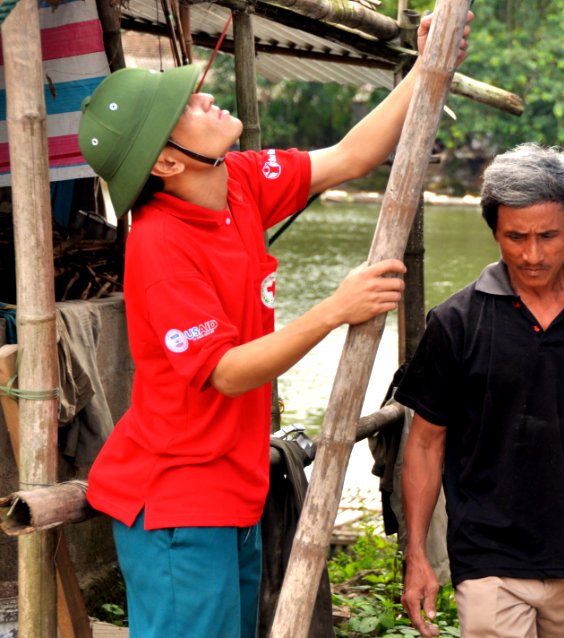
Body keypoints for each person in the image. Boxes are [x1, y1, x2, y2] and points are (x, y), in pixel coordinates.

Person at [76, 11, 471, 638]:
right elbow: (225, 371)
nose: (205, 94)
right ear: (168, 164)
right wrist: (333, 310)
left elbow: (350, 155)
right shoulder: (159, 247)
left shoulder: (237, 181)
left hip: (236, 486)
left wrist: (426, 68)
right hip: (178, 498)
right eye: (186, 106)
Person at [396, 143, 564, 638]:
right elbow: (425, 441)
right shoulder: (456, 322)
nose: (532, 254)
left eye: (549, 236)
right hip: (488, 553)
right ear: (494, 232)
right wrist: (416, 552)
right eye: (514, 237)